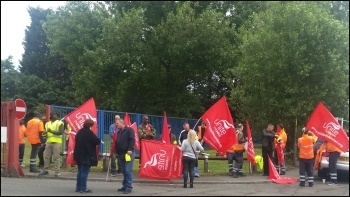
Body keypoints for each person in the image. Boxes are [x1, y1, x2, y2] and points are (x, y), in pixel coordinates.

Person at [74, 119, 101, 193]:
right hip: (86, 155)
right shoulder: (89, 133)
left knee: (80, 171)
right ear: (90, 126)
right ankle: (83, 188)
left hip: (78, 154)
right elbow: (97, 141)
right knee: (84, 172)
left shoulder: (79, 132)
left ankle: (78, 187)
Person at [39, 112, 64, 177]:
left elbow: (60, 132)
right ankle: (45, 170)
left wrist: (51, 131)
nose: (55, 116)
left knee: (56, 157)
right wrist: (44, 133)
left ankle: (57, 171)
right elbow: (46, 133)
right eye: (54, 115)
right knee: (47, 156)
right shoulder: (47, 124)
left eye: (56, 115)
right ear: (51, 116)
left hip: (57, 142)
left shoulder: (60, 123)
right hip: (49, 141)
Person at [115, 119, 135, 194]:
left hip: (128, 153)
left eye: (117, 123)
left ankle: (129, 187)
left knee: (127, 170)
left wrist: (130, 149)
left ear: (122, 123)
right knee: (123, 171)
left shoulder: (129, 130)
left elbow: (132, 140)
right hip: (121, 154)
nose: (116, 125)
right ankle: (125, 185)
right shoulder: (119, 132)